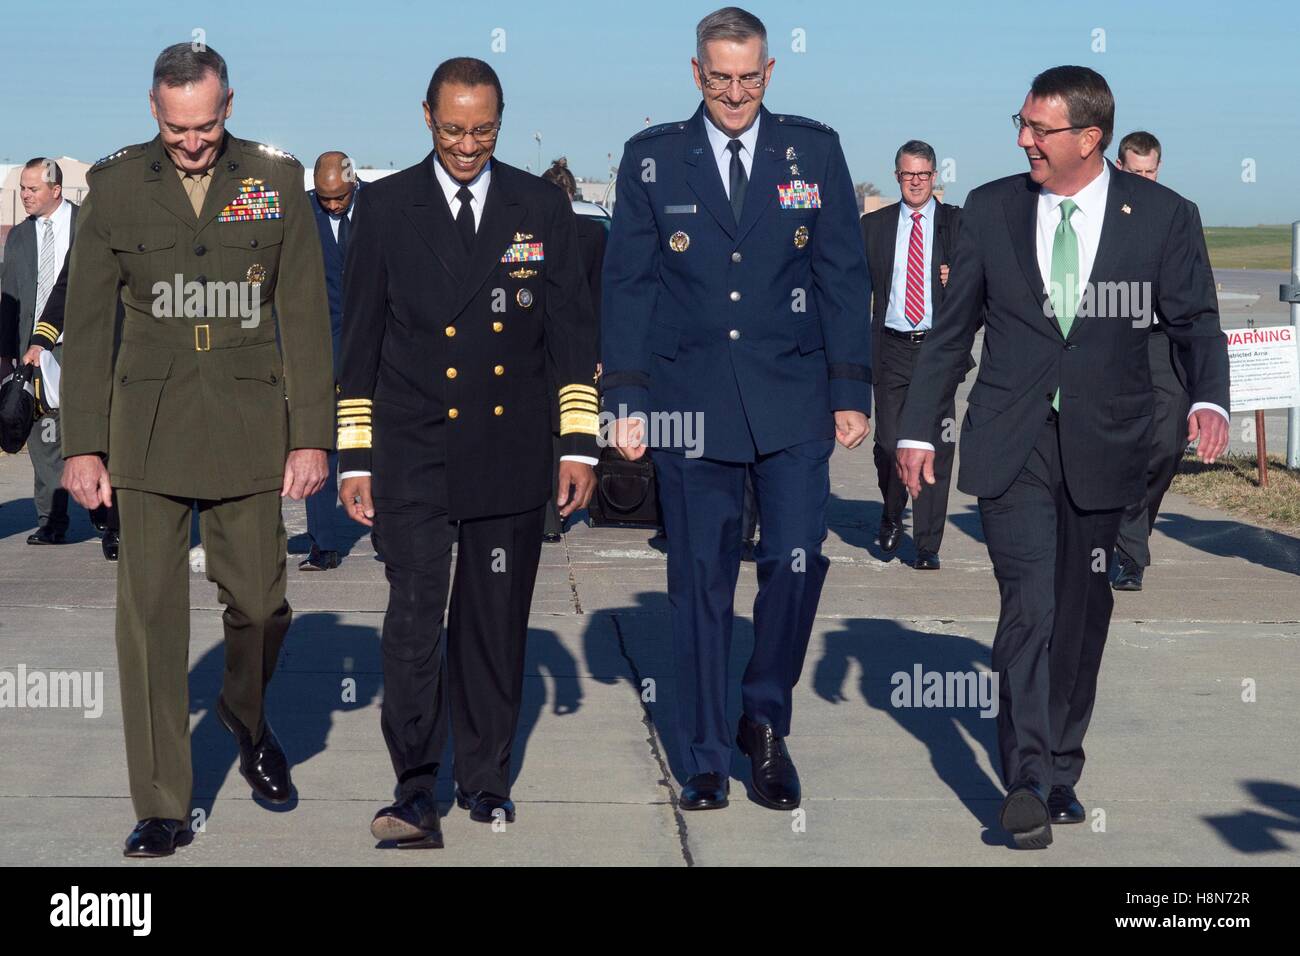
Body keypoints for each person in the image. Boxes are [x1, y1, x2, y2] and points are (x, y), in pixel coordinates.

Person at [896, 66, 1229, 848]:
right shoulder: (990, 208)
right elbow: (951, 335)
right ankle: (1026, 777)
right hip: (1012, 440)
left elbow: (1197, 321)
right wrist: (918, 427)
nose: (1023, 141)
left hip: (1106, 442)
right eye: (1021, 123)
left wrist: (1210, 398)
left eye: (1039, 130)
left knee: (1082, 614)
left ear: (1090, 137)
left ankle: (1063, 765)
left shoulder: (1163, 216)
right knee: (1030, 606)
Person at [60, 42, 335, 858]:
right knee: (148, 626)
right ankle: (163, 805)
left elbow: (306, 314)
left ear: (229, 105)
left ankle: (244, 716)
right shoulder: (110, 189)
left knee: (261, 605)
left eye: (207, 125)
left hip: (250, 424)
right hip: (145, 432)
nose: (192, 142)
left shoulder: (275, 180)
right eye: (178, 127)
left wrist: (312, 434)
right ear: (154, 110)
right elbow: (86, 329)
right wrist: (81, 446)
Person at [602, 7, 872, 812]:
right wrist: (626, 397)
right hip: (691, 404)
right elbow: (628, 284)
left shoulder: (812, 151)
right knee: (699, 583)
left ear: (769, 73)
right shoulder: (653, 160)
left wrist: (851, 390)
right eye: (718, 77)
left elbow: (842, 274)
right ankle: (708, 754)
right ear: (695, 74)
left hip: (791, 399)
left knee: (795, 562)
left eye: (747, 77)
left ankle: (764, 718)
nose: (733, 92)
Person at [337, 57, 599, 848]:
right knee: (414, 623)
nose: (466, 144)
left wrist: (579, 444)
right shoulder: (384, 206)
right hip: (413, 449)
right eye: (452, 129)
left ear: (500, 119)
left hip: (507, 449)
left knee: (492, 625)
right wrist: (355, 456)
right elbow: (359, 340)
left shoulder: (538, 205)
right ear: (426, 117)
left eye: (482, 129)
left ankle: (485, 781)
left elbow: (570, 334)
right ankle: (415, 789)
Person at [861, 140, 970, 569]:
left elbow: (982, 282)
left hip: (937, 351)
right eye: (909, 175)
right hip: (890, 348)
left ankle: (927, 545)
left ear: (934, 177)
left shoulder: (957, 225)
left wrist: (956, 276)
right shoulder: (875, 227)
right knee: (889, 444)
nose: (917, 183)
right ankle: (892, 511)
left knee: (937, 447)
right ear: (897, 177)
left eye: (924, 175)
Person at [1110, 131, 1206, 592]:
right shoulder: (1102, 211)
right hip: (1111, 338)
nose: (1144, 180)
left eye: (1151, 172)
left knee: (1165, 445)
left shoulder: (1181, 212)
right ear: (1119, 166)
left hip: (1163, 341)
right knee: (1122, 447)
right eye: (1135, 172)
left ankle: (1131, 531)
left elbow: (1199, 289)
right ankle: (1129, 554)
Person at [16, 255, 122, 559]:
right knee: (115, 441)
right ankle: (116, 524)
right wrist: (41, 340)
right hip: (110, 351)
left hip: (165, 348)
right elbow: (68, 285)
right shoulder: (104, 214)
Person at [0, 158, 79, 546]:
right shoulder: (18, 237)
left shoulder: (87, 228)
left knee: (95, 432)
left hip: (80, 349)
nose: (25, 195)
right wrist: (5, 354)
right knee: (43, 437)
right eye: (23, 189)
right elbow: (8, 300)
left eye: (32, 189)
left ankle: (109, 518)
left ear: (56, 190)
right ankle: (52, 519)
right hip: (32, 354)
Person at [301, 150, 364, 571]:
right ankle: (323, 542)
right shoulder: (301, 212)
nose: (332, 205)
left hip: (368, 342)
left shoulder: (378, 209)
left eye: (339, 198)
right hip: (318, 345)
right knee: (319, 445)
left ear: (353, 184)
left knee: (372, 442)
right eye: (325, 198)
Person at [540, 156, 605, 542]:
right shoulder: (526, 236)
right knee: (545, 430)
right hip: (538, 350)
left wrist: (599, 353)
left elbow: (601, 296)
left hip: (580, 347)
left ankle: (578, 497)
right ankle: (548, 515)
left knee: (576, 427)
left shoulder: (593, 236)